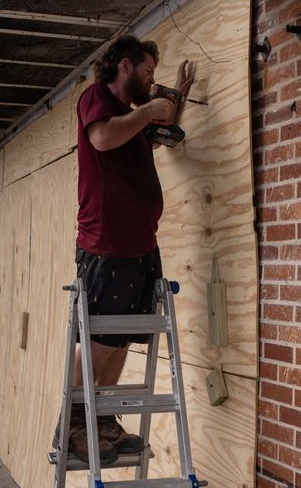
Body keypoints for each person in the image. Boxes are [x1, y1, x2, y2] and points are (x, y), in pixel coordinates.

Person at [54, 35, 193, 465]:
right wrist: (150, 109)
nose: (152, 82)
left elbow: (161, 136)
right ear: (125, 66)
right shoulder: (96, 99)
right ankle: (74, 423)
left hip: (140, 248)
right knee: (97, 340)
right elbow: (102, 139)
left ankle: (104, 419)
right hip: (106, 246)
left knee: (119, 341)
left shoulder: (134, 121)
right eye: (148, 72)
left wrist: (177, 99)